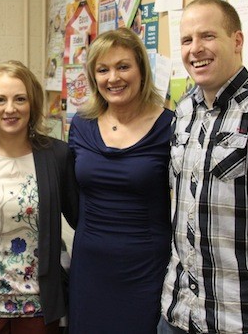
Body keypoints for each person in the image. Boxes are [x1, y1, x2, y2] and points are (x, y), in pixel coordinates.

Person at [158, 0, 248, 334]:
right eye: (187, 40)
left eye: (208, 36)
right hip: (178, 313)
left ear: (237, 41)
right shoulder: (184, 110)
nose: (195, 49)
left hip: (244, 317)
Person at [0, 60, 78, 333]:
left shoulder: (57, 156)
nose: (10, 109)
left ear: (32, 104)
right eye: (0, 99)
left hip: (39, 305)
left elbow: (80, 217)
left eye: (20, 99)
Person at [68, 27, 173, 333]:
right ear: (93, 77)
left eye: (123, 66)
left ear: (141, 70)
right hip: (90, 266)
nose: (113, 78)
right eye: (103, 69)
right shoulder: (81, 125)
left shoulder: (171, 126)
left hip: (146, 268)